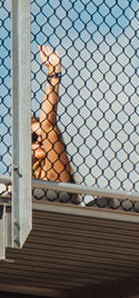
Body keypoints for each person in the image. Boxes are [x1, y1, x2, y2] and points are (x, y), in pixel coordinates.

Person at [31, 46, 76, 201]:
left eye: (43, 137)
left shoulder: (55, 170)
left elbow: (48, 124)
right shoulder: (19, 177)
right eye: (33, 138)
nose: (39, 141)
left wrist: (54, 71)